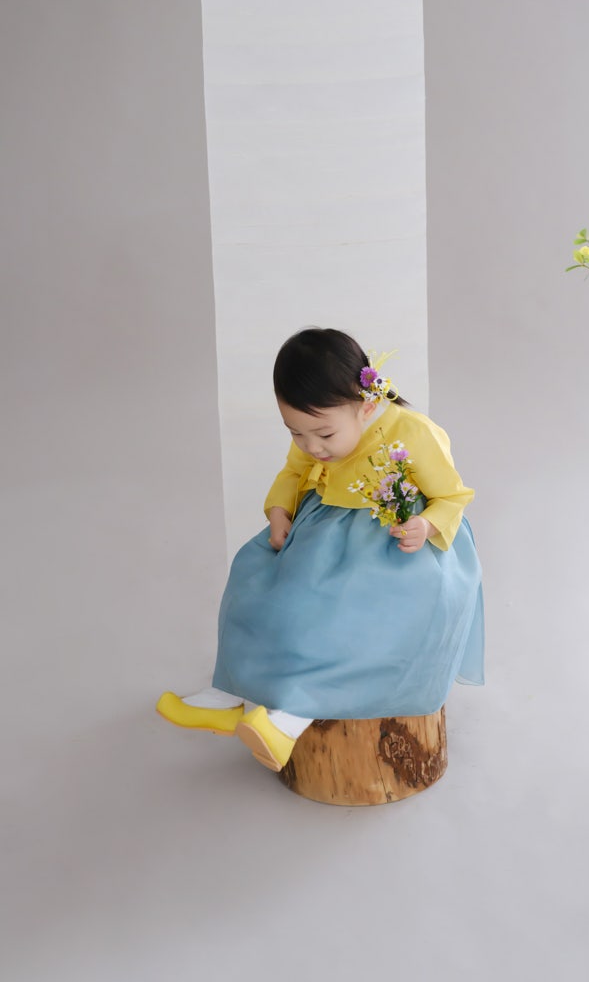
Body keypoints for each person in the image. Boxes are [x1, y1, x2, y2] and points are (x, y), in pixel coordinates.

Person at [156, 328, 484, 771]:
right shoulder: (314, 440)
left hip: (391, 546)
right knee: (253, 577)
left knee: (335, 612)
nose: (312, 447)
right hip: (326, 531)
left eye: (324, 434)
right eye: (296, 433)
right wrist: (279, 510)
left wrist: (425, 525)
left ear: (365, 405)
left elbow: (453, 496)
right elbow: (293, 473)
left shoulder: (412, 431)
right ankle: (230, 693)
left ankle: (290, 718)